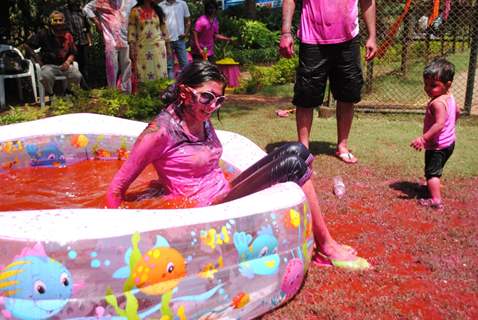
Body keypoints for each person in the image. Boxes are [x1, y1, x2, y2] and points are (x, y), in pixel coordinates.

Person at [107, 61, 365, 268]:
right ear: (185, 92)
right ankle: (327, 247)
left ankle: (324, 243)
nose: (213, 107)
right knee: (293, 165)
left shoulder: (198, 114)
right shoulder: (159, 132)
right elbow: (116, 188)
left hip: (224, 192)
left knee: (296, 152)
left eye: (219, 100)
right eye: (207, 97)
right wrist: (122, 242)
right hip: (207, 207)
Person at [279, 0, 378, 164]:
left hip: (348, 41)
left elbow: (367, 2)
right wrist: (285, 33)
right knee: (306, 96)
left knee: (348, 94)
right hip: (312, 40)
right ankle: (303, 149)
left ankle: (342, 146)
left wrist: (372, 37)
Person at [410, 58, 459, 210]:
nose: (428, 88)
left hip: (437, 146)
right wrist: (452, 124)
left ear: (448, 84)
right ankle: (431, 185)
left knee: (432, 173)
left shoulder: (437, 103)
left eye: (433, 85)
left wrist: (423, 138)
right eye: (425, 84)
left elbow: (439, 124)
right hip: (449, 143)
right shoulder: (449, 97)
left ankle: (436, 200)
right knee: (435, 168)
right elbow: (457, 112)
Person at [24, 10, 82, 96]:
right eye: (55, 20)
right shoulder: (43, 34)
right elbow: (27, 45)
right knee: (45, 76)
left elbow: (73, 52)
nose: (58, 22)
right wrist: (37, 59)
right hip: (48, 66)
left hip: (65, 65)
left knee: (77, 75)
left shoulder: (68, 35)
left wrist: (68, 62)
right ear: (50, 21)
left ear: (63, 21)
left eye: (60, 20)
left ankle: (69, 93)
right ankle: (51, 95)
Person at [83, 0, 136, 93]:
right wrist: (96, 22)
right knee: (112, 66)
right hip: (110, 39)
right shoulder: (102, 2)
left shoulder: (130, 2)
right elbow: (86, 9)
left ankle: (126, 92)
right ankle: (112, 92)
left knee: (127, 65)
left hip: (126, 38)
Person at [128, 0, 170, 87]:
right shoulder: (135, 11)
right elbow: (132, 31)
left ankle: (160, 95)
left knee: (160, 72)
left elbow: (164, 29)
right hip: (142, 48)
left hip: (158, 48)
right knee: (143, 73)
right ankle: (145, 96)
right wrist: (131, 48)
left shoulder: (158, 10)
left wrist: (168, 46)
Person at [62, 0, 93, 88]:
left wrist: (90, 40)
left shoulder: (82, 11)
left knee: (83, 64)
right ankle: (71, 87)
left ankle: (84, 86)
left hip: (82, 42)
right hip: (69, 43)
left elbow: (87, 27)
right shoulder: (63, 11)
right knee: (71, 64)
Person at [158, 0, 191, 79]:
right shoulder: (161, 6)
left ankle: (185, 87)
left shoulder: (182, 4)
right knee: (169, 67)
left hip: (180, 40)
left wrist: (186, 33)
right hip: (167, 41)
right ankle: (171, 89)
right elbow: (159, 24)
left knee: (185, 65)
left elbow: (188, 21)